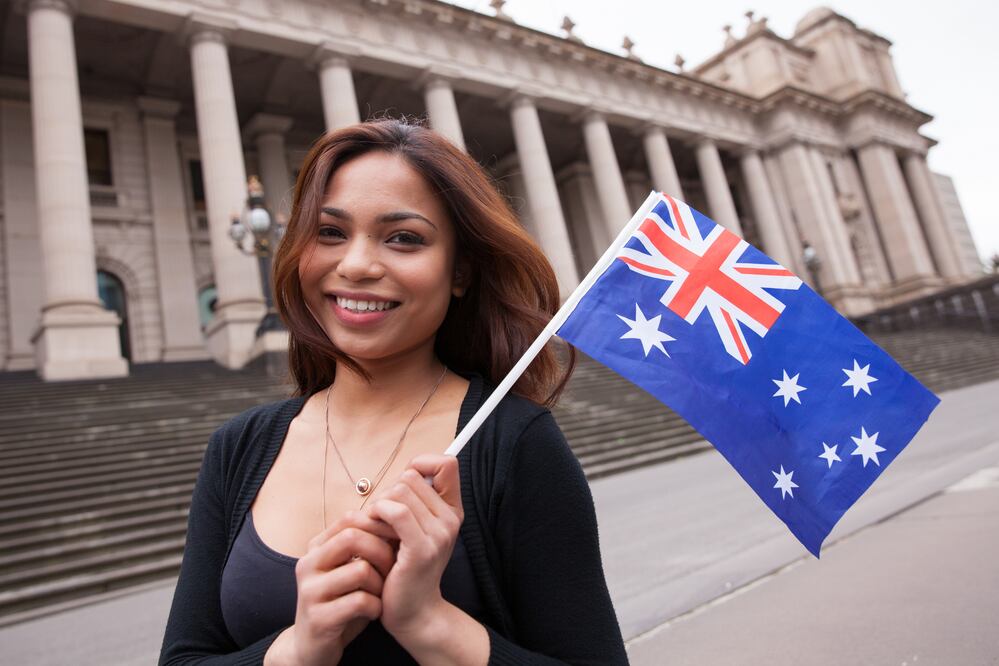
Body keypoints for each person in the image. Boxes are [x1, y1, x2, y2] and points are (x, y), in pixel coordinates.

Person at [158, 118, 629, 665]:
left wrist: (430, 625)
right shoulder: (237, 448)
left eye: (404, 238)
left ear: (460, 272)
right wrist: (297, 650)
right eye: (329, 232)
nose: (356, 265)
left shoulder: (515, 443)